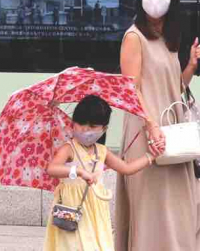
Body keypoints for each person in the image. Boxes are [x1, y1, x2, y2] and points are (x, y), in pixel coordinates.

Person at [116, 0, 200, 251]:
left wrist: (191, 64)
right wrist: (151, 127)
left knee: (184, 205)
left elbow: (173, 88)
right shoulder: (134, 37)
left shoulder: (169, 38)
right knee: (152, 209)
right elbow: (130, 90)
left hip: (173, 132)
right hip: (146, 133)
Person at [44, 95, 156, 251]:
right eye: (81, 124)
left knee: (95, 245)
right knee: (73, 245)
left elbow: (126, 168)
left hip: (95, 209)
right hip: (71, 208)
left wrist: (151, 156)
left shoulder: (102, 151)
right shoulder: (69, 148)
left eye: (92, 126)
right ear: (73, 123)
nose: (85, 130)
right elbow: (52, 169)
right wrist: (78, 171)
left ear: (104, 129)